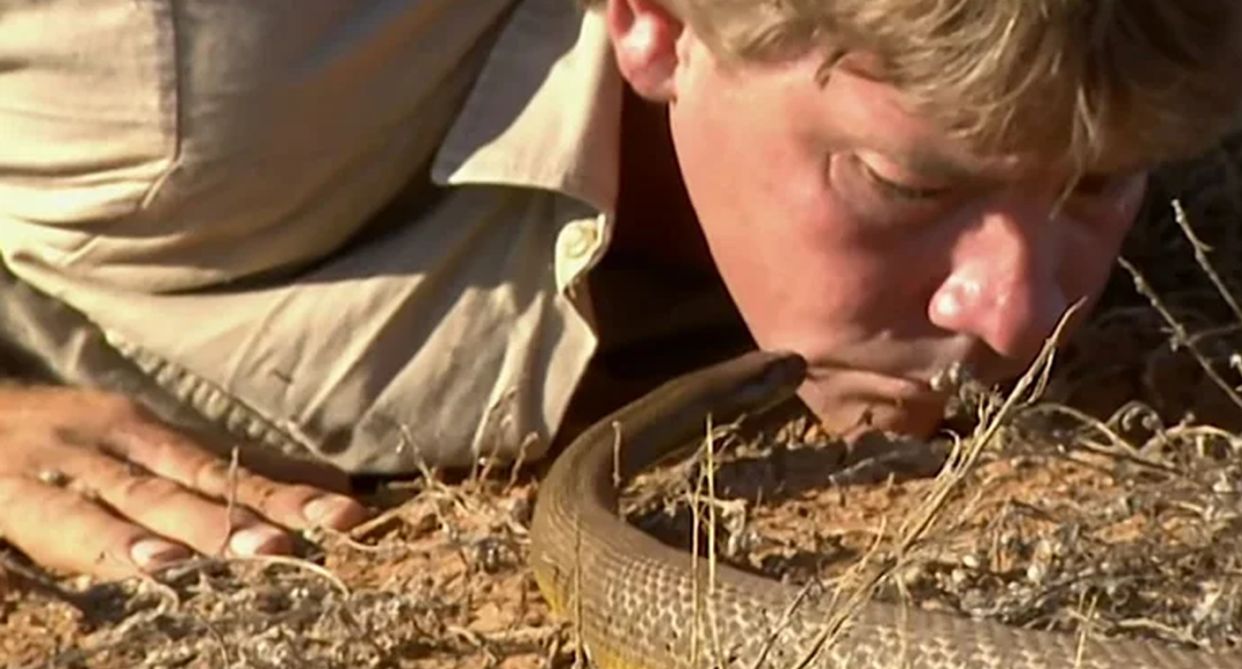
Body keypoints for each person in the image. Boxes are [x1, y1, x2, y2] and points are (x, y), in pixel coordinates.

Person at [0, 0, 1238, 585]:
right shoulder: (173, 65)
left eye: (1096, 187)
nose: (1020, 317)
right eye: (905, 186)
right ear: (652, 20)